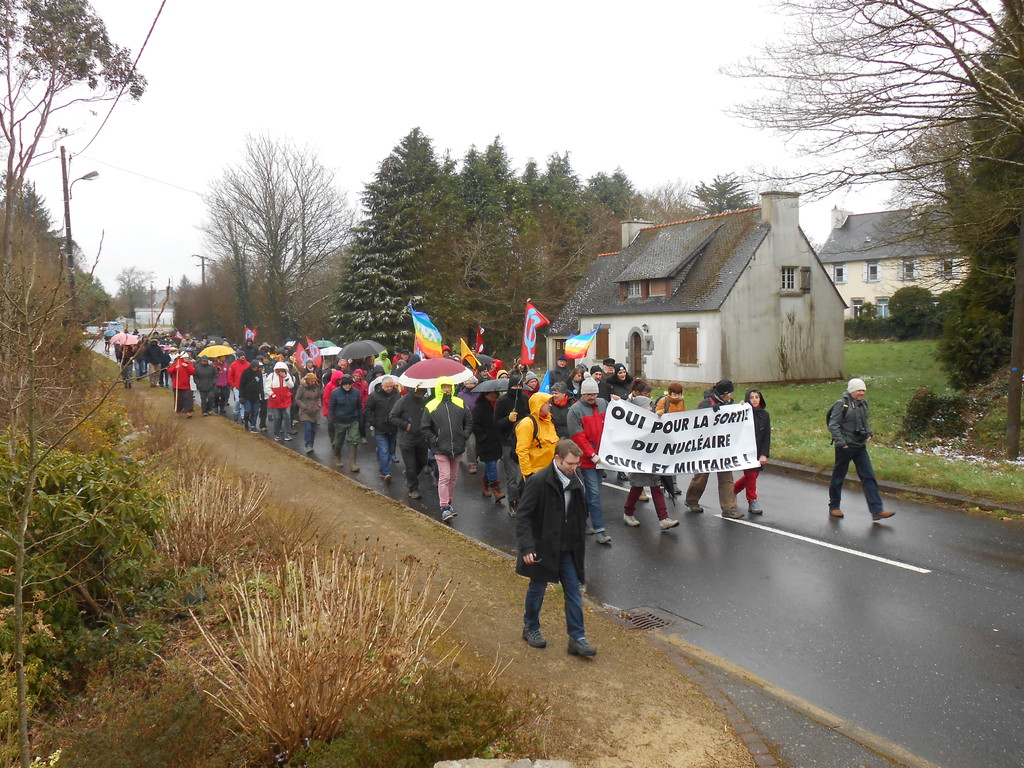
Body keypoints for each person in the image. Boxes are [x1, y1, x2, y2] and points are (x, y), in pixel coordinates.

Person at [515, 439, 596, 658]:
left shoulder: (576, 480)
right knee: (537, 589)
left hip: (568, 548)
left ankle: (577, 639)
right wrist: (528, 547)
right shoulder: (539, 481)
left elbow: (581, 512)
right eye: (570, 463)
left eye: (577, 464)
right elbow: (523, 516)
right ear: (557, 459)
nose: (574, 468)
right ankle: (530, 627)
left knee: (573, 592)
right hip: (543, 548)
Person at [827, 378, 894, 522]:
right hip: (845, 448)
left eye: (863, 390)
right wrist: (842, 443)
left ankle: (877, 510)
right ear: (852, 390)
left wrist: (868, 434)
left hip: (860, 447)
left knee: (869, 477)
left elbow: (865, 422)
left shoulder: (864, 404)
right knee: (838, 477)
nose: (862, 393)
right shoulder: (841, 404)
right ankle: (834, 506)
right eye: (859, 390)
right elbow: (833, 425)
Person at [622, 384, 679, 530]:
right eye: (648, 406)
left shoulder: (654, 420)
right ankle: (628, 513)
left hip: (652, 460)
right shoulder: (633, 424)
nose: (651, 408)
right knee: (637, 487)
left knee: (656, 486)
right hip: (639, 462)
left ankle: (663, 518)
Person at [685, 379, 743, 519]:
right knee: (701, 477)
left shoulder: (729, 404)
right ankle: (692, 500)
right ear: (723, 394)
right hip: (707, 448)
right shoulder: (706, 404)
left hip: (723, 448)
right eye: (729, 393)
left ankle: (729, 508)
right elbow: (696, 424)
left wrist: (740, 409)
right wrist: (711, 413)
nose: (731, 395)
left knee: (727, 478)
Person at [420, 376, 472, 522]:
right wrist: (435, 440)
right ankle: (444, 507)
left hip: (457, 447)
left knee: (453, 477)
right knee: (444, 477)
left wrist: (465, 435)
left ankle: (449, 503)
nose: (447, 389)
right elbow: (425, 427)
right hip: (440, 448)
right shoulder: (431, 405)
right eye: (444, 386)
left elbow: (469, 420)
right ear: (439, 388)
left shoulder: (460, 403)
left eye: (449, 386)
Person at [567, 378, 612, 545]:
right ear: (582, 394)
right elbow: (578, 436)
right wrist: (591, 455)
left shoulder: (603, 403)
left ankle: (577, 520)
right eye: (588, 394)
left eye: (594, 394)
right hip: (587, 460)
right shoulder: (575, 411)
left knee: (593, 494)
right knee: (593, 493)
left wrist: (619, 402)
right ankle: (600, 530)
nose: (592, 397)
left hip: (602, 458)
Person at [495, 372, 531, 515]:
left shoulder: (525, 398)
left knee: (525, 473)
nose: (518, 388)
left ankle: (523, 499)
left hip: (524, 441)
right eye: (515, 385)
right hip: (508, 442)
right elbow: (496, 423)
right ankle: (513, 503)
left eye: (520, 386)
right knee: (512, 476)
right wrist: (507, 419)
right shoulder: (501, 401)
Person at [734, 389, 771, 515]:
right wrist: (739, 408)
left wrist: (764, 454)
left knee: (754, 475)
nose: (754, 399)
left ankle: (733, 490)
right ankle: (752, 500)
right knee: (750, 476)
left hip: (758, 450)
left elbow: (767, 436)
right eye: (751, 397)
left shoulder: (765, 415)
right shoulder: (743, 412)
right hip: (745, 450)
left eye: (757, 397)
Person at [390, 385, 430, 499]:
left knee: (423, 462)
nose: (421, 394)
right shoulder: (402, 401)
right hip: (407, 440)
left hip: (421, 438)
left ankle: (408, 475)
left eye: (423, 392)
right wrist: (405, 425)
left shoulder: (424, 402)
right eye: (419, 392)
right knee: (411, 466)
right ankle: (413, 488)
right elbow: (392, 417)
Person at [471, 388, 506, 502]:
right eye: (492, 393)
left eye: (496, 393)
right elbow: (475, 424)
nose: (495, 395)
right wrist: (482, 437)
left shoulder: (499, 406)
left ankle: (485, 484)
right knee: (491, 464)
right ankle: (496, 490)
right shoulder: (479, 408)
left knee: (492, 463)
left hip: (497, 441)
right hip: (486, 442)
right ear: (486, 394)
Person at [515, 392, 559, 482]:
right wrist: (528, 475)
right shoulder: (527, 424)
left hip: (551, 472)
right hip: (535, 474)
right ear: (538, 405)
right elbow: (522, 451)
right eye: (546, 402)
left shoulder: (549, 421)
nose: (550, 405)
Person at [365, 375, 401, 481]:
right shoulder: (374, 396)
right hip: (380, 428)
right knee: (384, 451)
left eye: (391, 386)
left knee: (389, 451)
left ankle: (382, 470)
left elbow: (400, 409)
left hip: (393, 428)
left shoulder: (397, 395)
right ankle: (387, 473)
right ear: (382, 386)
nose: (389, 388)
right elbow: (367, 410)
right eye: (387, 386)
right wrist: (373, 422)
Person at [329, 375, 362, 470]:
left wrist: (361, 419)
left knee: (354, 441)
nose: (347, 386)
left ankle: (353, 463)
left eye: (349, 384)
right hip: (340, 421)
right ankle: (338, 457)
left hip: (353, 420)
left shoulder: (356, 392)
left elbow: (359, 407)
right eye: (345, 384)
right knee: (339, 441)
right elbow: (331, 408)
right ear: (342, 384)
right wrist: (330, 420)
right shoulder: (335, 393)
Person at [264, 361, 295, 441]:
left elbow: (291, 385)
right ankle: (276, 434)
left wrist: (285, 377)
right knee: (277, 417)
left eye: (282, 369)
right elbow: (267, 388)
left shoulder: (287, 375)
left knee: (287, 416)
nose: (280, 371)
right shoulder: (271, 376)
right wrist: (272, 394)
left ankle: (287, 434)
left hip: (286, 399)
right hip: (276, 400)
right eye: (279, 370)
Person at [294, 371, 323, 453]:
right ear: (308, 380)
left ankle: (311, 444)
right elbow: (297, 399)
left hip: (314, 410)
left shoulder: (316, 387)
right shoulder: (302, 388)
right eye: (312, 381)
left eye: (315, 381)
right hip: (305, 411)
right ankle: (308, 445)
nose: (314, 382)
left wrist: (319, 403)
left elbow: (318, 397)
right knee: (308, 428)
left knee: (313, 430)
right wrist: (304, 406)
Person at [237, 358, 263, 432]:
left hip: (256, 396)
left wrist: (262, 395)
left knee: (255, 411)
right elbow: (241, 385)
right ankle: (246, 421)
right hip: (247, 395)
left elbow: (260, 384)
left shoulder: (259, 373)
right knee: (248, 410)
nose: (255, 369)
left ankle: (253, 425)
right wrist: (241, 396)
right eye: (254, 367)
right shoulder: (245, 372)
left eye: (256, 368)